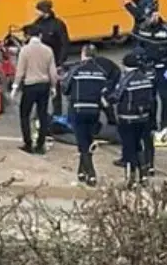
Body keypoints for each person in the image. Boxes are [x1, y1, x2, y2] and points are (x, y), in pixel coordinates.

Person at [62, 44, 111, 186]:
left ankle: (91, 173)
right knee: (87, 141)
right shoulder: (101, 72)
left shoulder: (76, 69)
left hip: (78, 109)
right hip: (94, 110)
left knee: (82, 142)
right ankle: (81, 171)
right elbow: (105, 91)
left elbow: (65, 88)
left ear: (83, 54)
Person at [110, 53, 157, 186]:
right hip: (143, 118)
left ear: (125, 65)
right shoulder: (145, 78)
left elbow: (116, 96)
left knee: (129, 147)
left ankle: (130, 179)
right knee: (139, 146)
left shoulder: (126, 79)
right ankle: (143, 176)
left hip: (127, 118)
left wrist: (105, 98)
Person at [12, 26, 58, 154]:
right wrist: (54, 87)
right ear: (40, 36)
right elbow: (53, 72)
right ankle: (40, 144)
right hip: (44, 85)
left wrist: (15, 87)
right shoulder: (48, 50)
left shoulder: (25, 51)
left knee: (25, 114)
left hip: (30, 85)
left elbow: (20, 71)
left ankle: (28, 143)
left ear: (27, 36)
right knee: (42, 114)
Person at [25, 0, 69, 115]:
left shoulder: (58, 25)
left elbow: (64, 43)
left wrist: (60, 62)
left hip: (54, 61)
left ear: (45, 11)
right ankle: (40, 112)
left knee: (55, 89)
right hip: (40, 61)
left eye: (38, 10)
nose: (36, 13)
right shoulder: (37, 23)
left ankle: (57, 114)